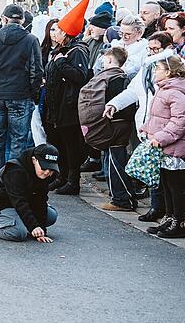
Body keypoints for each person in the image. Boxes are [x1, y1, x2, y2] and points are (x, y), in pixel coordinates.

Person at [105, 32, 177, 227]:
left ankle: (169, 214)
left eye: (156, 49)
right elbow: (133, 91)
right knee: (154, 171)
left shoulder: (173, 70)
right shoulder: (147, 68)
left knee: (168, 176)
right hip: (146, 127)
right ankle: (157, 208)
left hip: (166, 132)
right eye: (150, 48)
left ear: (168, 48)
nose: (152, 53)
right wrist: (114, 104)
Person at [0, 3, 45, 174]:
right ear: (22, 20)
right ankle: (14, 180)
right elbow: (36, 72)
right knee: (18, 142)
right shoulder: (31, 40)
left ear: (4, 19)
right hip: (21, 95)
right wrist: (34, 94)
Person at [79, 47, 137, 211]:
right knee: (115, 160)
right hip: (118, 124)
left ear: (111, 60)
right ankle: (122, 197)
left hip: (115, 124)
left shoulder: (114, 79)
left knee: (116, 163)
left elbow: (118, 104)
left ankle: (121, 200)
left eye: (104, 60)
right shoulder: (120, 78)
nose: (102, 64)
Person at [42, 18, 91, 195]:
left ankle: (73, 181)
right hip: (56, 104)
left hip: (68, 105)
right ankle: (61, 176)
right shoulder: (60, 50)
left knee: (71, 145)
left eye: (59, 30)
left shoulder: (77, 51)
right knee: (59, 143)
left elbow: (80, 75)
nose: (55, 33)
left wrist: (61, 63)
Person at [138, 56, 185, 238]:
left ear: (169, 72)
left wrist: (160, 137)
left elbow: (179, 121)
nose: (155, 72)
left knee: (176, 187)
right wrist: (146, 129)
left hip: (174, 149)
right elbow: (157, 118)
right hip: (163, 148)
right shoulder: (163, 90)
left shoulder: (175, 92)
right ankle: (170, 217)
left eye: (158, 69)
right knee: (166, 185)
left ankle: (179, 221)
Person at [0, 144, 60, 243]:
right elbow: (19, 201)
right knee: (18, 233)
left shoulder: (48, 174)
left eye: (50, 169)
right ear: (34, 160)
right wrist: (33, 226)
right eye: (44, 168)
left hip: (23, 199)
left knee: (51, 217)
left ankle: (16, 222)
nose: (47, 172)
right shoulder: (15, 170)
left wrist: (41, 230)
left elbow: (40, 199)